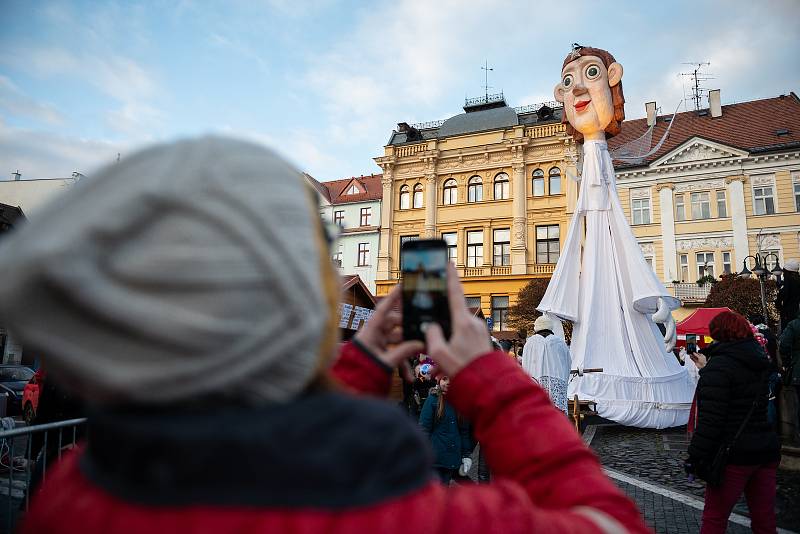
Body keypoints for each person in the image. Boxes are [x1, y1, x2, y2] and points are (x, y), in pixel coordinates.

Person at [0, 138, 650, 534]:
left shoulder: (77, 489)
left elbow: (250, 428)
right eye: (323, 253)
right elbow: (606, 521)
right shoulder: (375, 505)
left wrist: (365, 358)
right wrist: (486, 373)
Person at [537, 45, 694, 428]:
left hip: (603, 211)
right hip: (593, 222)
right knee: (590, 246)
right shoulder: (588, 162)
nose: (576, 91)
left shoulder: (601, 160)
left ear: (612, 78)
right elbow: (583, 225)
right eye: (568, 82)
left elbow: (619, 231)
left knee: (608, 237)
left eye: (590, 75)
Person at [686, 311, 780, 534]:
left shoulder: (719, 368)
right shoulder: (759, 362)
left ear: (718, 334)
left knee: (715, 519)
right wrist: (708, 368)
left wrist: (695, 457)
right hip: (765, 449)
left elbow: (711, 421)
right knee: (764, 520)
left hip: (733, 454)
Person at [419, 376, 474, 485]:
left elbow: (464, 431)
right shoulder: (433, 400)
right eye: (444, 379)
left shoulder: (461, 401)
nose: (448, 382)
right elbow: (423, 429)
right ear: (439, 380)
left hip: (453, 457)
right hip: (436, 457)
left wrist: (466, 455)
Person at [521, 314, 571, 414]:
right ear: (550, 327)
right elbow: (567, 364)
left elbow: (525, 366)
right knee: (557, 415)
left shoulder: (530, 343)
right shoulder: (560, 342)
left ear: (536, 327)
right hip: (557, 385)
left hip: (535, 385)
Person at [777, 259, 800, 331]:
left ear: (787, 271)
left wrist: (780, 307)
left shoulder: (788, 280)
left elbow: (784, 295)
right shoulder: (798, 280)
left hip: (788, 314)